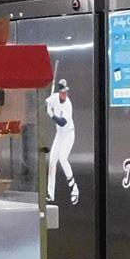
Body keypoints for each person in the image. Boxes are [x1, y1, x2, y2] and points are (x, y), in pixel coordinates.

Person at [45, 76, 78, 206]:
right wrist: (47, 105)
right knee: (52, 161)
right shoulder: (54, 97)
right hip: (59, 134)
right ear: (59, 92)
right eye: (63, 92)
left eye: (66, 92)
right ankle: (50, 193)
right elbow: (44, 103)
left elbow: (62, 122)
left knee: (62, 158)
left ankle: (74, 188)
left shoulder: (68, 105)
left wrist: (51, 114)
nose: (65, 94)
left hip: (69, 133)